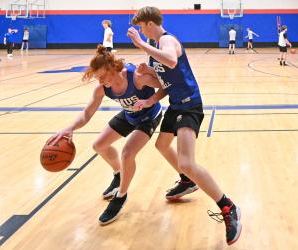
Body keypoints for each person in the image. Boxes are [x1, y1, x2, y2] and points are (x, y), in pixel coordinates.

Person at [127, 6, 241, 245]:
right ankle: (187, 181)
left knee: (187, 162)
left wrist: (141, 45)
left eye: (141, 27)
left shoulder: (167, 40)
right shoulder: (155, 49)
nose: (140, 31)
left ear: (149, 23)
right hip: (176, 104)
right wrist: (149, 93)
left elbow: (170, 61)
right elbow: (165, 83)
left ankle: (228, 207)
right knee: (161, 144)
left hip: (189, 105)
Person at [47, 45, 163, 225]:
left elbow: (165, 85)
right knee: (98, 145)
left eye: (102, 76)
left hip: (148, 116)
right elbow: (87, 114)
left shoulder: (136, 77)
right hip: (129, 114)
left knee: (127, 153)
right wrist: (69, 128)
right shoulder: (102, 89)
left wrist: (150, 93)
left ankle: (121, 196)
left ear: (112, 68)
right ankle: (118, 174)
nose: (100, 81)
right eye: (97, 78)